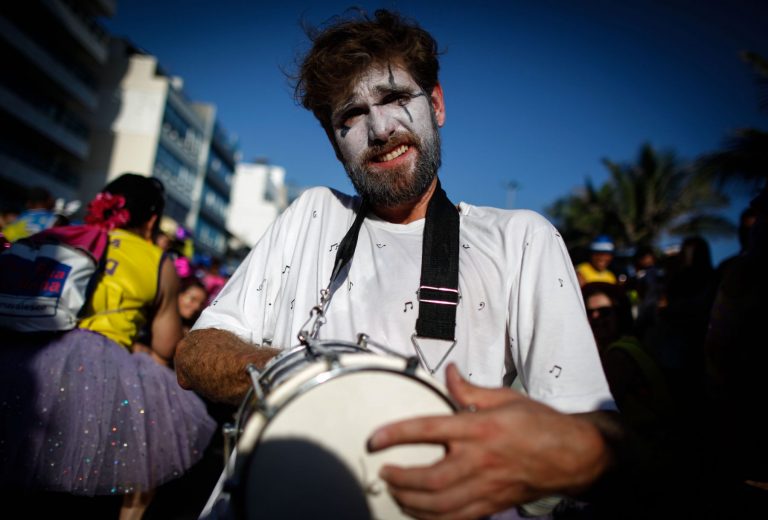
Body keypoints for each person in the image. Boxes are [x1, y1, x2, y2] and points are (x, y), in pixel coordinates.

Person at [175, 10, 621, 519]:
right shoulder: (312, 214)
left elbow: (596, 432)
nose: (380, 129)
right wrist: (314, 384)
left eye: (394, 99)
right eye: (351, 116)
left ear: (436, 104)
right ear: (334, 143)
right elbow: (195, 353)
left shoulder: (520, 239)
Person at [0, 174, 216, 519]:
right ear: (150, 220)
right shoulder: (156, 259)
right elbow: (166, 345)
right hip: (103, 375)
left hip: (27, 357)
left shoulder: (64, 237)